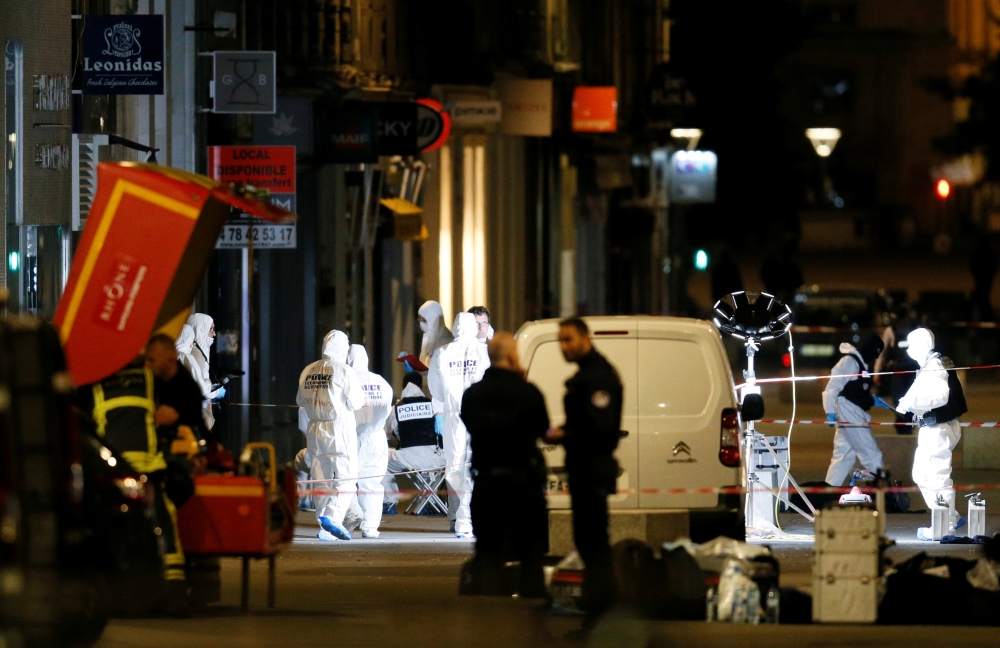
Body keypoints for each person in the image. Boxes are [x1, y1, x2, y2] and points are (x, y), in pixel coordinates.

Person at [77, 357, 188, 614]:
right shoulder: (148, 376)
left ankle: (120, 591)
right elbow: (166, 413)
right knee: (163, 518)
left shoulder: (91, 380)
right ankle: (175, 592)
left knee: (110, 527)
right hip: (148, 465)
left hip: (112, 468)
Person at [460, 332, 549, 597]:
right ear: (512, 356)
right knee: (530, 548)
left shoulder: (473, 395)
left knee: (488, 548)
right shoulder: (528, 393)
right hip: (523, 482)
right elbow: (542, 428)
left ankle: (488, 605)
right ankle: (532, 601)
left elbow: (470, 424)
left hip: (486, 481)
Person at [546, 318, 623, 620]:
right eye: (560, 340)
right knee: (588, 540)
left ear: (584, 339)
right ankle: (598, 610)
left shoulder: (597, 377)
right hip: (585, 466)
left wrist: (565, 435)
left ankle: (601, 611)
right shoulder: (588, 374)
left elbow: (600, 429)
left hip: (591, 466)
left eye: (568, 340)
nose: (563, 347)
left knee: (593, 542)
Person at [895, 328, 968, 540]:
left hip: (939, 428)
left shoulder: (934, 365)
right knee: (921, 474)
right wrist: (908, 404)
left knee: (936, 476)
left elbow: (939, 396)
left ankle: (945, 527)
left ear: (922, 345)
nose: (909, 351)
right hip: (934, 427)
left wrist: (912, 403)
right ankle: (949, 517)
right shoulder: (930, 364)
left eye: (911, 345)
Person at [297, 330, 365, 541]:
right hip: (338, 426)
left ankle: (323, 526)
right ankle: (333, 518)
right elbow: (356, 402)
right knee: (347, 477)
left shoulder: (308, 370)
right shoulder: (344, 370)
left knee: (321, 477)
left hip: (314, 428)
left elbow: (300, 400)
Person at [428, 312, 490, 538]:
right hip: (479, 415)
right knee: (474, 464)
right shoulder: (482, 351)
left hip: (454, 417)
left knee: (455, 467)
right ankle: (468, 517)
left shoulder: (442, 353)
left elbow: (435, 389)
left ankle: (464, 517)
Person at [822, 335, 888, 486]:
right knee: (871, 452)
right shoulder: (849, 362)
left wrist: (871, 400)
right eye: (875, 352)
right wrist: (830, 411)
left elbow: (856, 390)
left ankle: (829, 490)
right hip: (849, 414)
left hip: (853, 412)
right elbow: (833, 387)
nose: (876, 357)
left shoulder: (862, 364)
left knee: (843, 456)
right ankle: (884, 490)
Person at [383, 372, 446, 512]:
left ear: (403, 386)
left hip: (408, 458)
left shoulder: (396, 409)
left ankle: (389, 503)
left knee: (380, 461)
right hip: (437, 459)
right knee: (427, 472)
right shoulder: (434, 406)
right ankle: (429, 504)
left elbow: (386, 433)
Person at [347, 344, 393, 538]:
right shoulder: (381, 382)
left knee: (346, 479)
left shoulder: (348, 380)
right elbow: (388, 410)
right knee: (373, 483)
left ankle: (350, 516)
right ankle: (371, 527)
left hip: (353, 435)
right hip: (377, 435)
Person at [186, 314, 225, 430]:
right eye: (211, 329)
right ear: (201, 329)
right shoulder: (196, 355)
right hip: (196, 422)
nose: (214, 334)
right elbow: (203, 390)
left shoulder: (194, 352)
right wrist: (217, 392)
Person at [970, 238, 998, 321]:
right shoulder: (988, 254)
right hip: (983, 277)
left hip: (984, 277)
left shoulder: (981, 254)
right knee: (982, 297)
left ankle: (988, 317)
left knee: (982, 297)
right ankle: (988, 317)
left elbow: (973, 264)